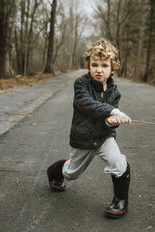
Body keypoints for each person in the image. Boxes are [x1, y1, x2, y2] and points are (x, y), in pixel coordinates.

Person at [46, 38, 131, 218]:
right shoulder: (81, 84)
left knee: (118, 162)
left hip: (103, 138)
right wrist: (113, 110)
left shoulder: (115, 92)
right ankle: (54, 171)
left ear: (113, 68)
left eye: (104, 65)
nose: (99, 69)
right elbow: (86, 104)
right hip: (82, 138)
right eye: (94, 64)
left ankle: (120, 200)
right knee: (72, 173)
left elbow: (105, 121)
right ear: (88, 66)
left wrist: (112, 122)